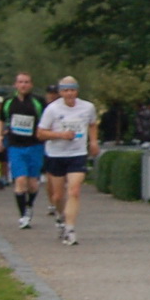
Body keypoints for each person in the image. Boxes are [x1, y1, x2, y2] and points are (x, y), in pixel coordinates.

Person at [37, 76, 99, 246]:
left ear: (77, 91)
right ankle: (60, 217)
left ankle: (70, 229)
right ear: (60, 92)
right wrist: (60, 135)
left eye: (72, 90)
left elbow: (92, 124)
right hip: (56, 155)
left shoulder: (87, 107)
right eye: (65, 91)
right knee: (58, 196)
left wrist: (93, 141)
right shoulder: (52, 109)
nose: (69, 94)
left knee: (74, 190)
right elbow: (40, 133)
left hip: (77, 154)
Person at [0, 72, 46, 228]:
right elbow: (1, 120)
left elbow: (47, 120)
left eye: (26, 82)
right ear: (15, 85)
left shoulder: (38, 102)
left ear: (31, 85)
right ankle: (23, 216)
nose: (23, 85)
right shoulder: (8, 102)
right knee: (20, 180)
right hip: (16, 146)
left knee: (32, 184)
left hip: (35, 146)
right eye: (20, 82)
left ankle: (29, 205)